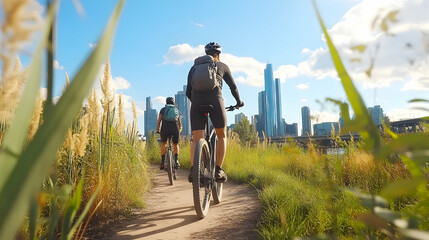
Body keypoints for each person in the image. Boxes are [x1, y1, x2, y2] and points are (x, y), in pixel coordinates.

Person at [186, 42, 244, 183]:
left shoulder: (194, 68)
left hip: (197, 103)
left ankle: (194, 170)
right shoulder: (222, 66)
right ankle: (218, 170)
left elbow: (188, 91)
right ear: (218, 54)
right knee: (221, 135)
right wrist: (238, 102)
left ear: (206, 53)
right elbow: (233, 87)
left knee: (196, 138)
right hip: (215, 101)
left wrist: (197, 103)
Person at [156, 97, 182, 170]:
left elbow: (159, 120)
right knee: (175, 144)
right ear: (173, 103)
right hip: (174, 128)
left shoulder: (163, 109)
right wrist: (179, 130)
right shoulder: (176, 110)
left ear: (166, 102)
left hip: (165, 128)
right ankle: (176, 160)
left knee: (164, 143)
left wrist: (157, 129)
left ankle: (162, 162)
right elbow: (179, 123)